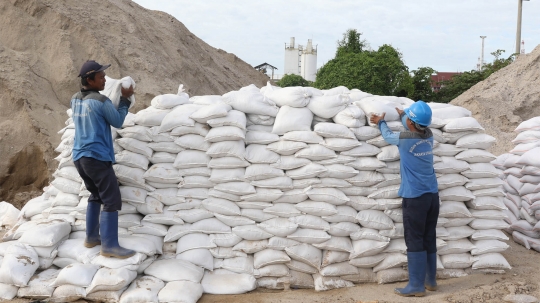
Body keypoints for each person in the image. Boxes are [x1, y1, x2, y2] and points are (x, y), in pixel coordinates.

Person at [369, 101, 439, 297]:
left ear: (410, 123)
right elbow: (415, 124)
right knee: (429, 237)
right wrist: (403, 115)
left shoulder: (405, 138)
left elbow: (389, 135)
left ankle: (416, 286)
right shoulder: (429, 135)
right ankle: (430, 281)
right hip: (432, 196)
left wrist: (381, 122)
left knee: (414, 239)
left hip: (415, 198)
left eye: (408, 117)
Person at [71, 60, 136, 259]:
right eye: (101, 77)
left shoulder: (75, 99)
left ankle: (91, 237)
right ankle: (109, 246)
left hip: (79, 157)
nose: (104, 79)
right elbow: (117, 121)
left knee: (96, 195)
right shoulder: (101, 101)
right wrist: (124, 101)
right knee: (112, 199)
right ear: (89, 80)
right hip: (97, 157)